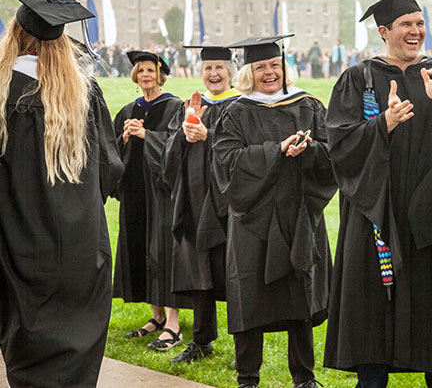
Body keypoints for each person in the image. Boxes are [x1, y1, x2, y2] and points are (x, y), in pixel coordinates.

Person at [323, 0, 432, 387]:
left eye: (419, 22)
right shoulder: (357, 79)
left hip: (431, 214)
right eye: (405, 24)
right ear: (384, 32)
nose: (415, 31)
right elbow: (339, 148)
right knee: (372, 342)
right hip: (375, 214)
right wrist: (384, 125)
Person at [0, 0, 123, 387]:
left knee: (26, 357)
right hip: (81, 253)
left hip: (16, 249)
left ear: (13, 34)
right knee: (75, 364)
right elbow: (110, 172)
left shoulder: (3, 96)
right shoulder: (84, 96)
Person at [212, 34, 336, 388]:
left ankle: (305, 378)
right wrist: (275, 150)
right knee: (249, 297)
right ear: (249, 72)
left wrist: (310, 150)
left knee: (299, 293)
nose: (270, 72)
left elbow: (332, 155)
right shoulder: (234, 112)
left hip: (299, 214)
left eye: (275, 65)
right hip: (253, 219)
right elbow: (225, 162)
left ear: (285, 68)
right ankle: (247, 377)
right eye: (261, 66)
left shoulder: (309, 106)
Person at [163, 46, 240, 363]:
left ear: (232, 71)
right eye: (208, 68)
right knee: (199, 270)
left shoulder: (241, 106)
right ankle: (201, 341)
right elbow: (168, 159)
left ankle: (242, 345)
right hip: (194, 198)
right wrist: (183, 134)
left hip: (229, 201)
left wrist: (209, 135)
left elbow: (243, 153)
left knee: (235, 271)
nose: (214, 74)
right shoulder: (189, 106)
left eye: (220, 67)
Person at [113, 50, 191, 351]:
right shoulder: (129, 108)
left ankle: (174, 323)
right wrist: (123, 138)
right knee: (141, 247)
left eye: (150, 70)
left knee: (163, 250)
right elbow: (111, 148)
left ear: (161, 74)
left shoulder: (174, 106)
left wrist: (147, 134)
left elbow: (179, 146)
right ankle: (156, 317)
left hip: (162, 191)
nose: (145, 74)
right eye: (140, 70)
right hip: (135, 191)